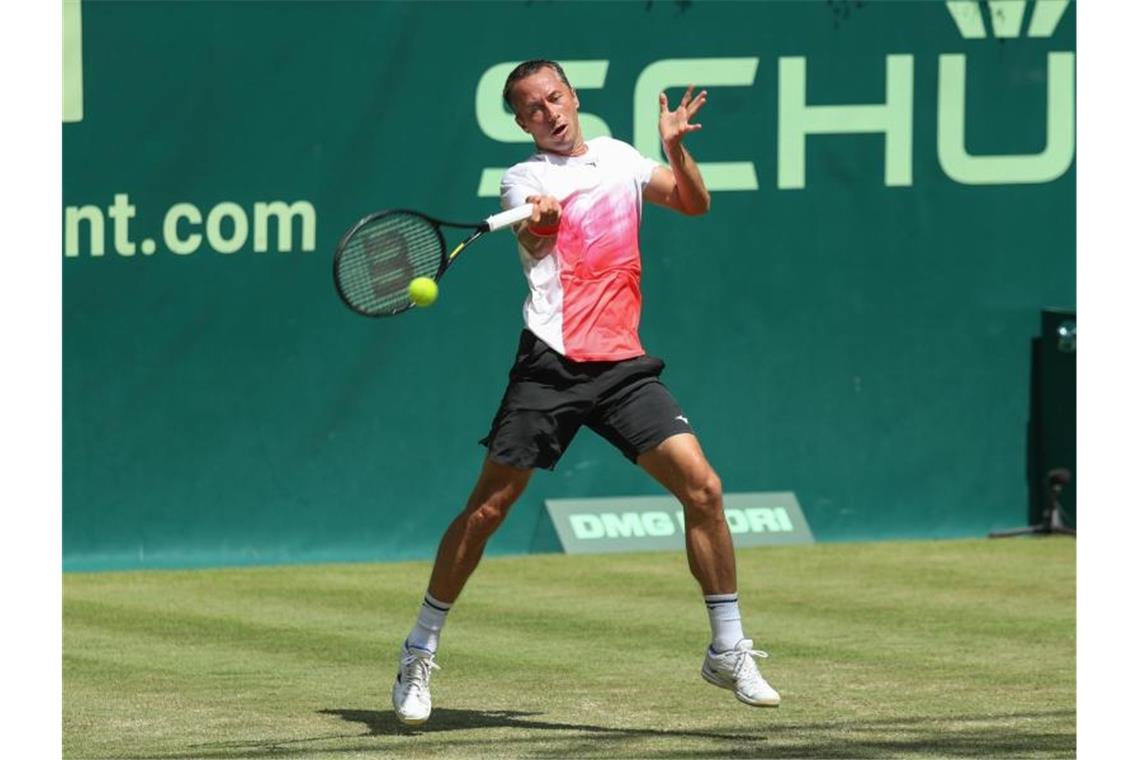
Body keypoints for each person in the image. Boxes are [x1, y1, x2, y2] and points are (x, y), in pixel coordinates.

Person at [391, 59, 780, 726]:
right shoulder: (525, 180)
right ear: (521, 122)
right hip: (552, 364)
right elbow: (541, 243)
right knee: (486, 512)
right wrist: (540, 219)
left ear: (572, 95)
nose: (550, 112)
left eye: (555, 97)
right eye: (534, 108)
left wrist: (676, 150)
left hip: (622, 368)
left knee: (704, 489)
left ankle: (728, 648)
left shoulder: (618, 157)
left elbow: (693, 203)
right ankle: (418, 649)